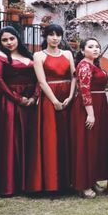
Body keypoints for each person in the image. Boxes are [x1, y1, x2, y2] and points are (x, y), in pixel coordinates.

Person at [28, 24, 76, 193]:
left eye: (58, 35)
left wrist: (70, 96)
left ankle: (70, 180)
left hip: (68, 96)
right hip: (49, 99)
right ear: (46, 36)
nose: (55, 38)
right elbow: (41, 82)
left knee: (68, 137)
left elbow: (74, 76)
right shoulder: (38, 55)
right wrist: (54, 100)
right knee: (51, 137)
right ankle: (52, 182)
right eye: (51, 35)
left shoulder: (68, 54)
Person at [0, 26, 38, 196]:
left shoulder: (29, 56)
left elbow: (38, 78)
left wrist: (34, 97)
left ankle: (29, 183)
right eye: (4, 40)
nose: (8, 43)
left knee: (30, 140)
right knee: (11, 140)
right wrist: (17, 99)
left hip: (30, 104)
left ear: (18, 39)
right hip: (10, 102)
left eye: (11, 39)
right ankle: (10, 185)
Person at [70, 38, 108, 198]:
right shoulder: (84, 65)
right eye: (90, 47)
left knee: (96, 144)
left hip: (100, 104)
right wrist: (90, 113)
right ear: (82, 51)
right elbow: (84, 90)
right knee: (86, 145)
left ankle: (92, 179)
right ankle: (83, 184)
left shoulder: (94, 65)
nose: (95, 49)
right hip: (88, 108)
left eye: (97, 46)